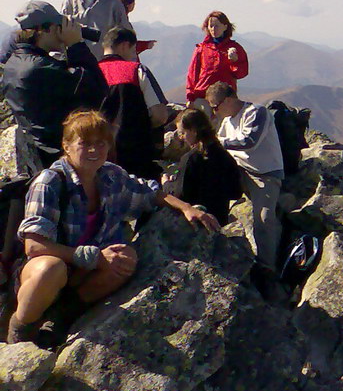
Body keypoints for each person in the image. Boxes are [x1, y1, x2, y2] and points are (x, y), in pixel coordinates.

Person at [7, 110, 219, 346]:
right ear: (66, 146)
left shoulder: (110, 176)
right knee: (51, 268)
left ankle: (62, 316)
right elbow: (35, 246)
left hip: (82, 272)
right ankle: (21, 329)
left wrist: (186, 208)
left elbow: (150, 194)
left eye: (101, 143)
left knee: (125, 258)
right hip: (45, 269)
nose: (94, 150)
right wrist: (92, 257)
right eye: (84, 143)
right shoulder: (50, 182)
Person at [2, 1, 107, 170]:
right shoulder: (40, 68)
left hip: (38, 154)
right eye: (59, 26)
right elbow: (97, 89)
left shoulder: (14, 63)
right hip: (56, 160)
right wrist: (76, 45)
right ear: (45, 30)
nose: (63, 30)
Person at [206, 82, 282, 268]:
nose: (214, 112)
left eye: (216, 106)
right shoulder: (226, 121)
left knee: (263, 219)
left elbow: (249, 142)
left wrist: (217, 142)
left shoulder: (256, 113)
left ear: (229, 99)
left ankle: (268, 268)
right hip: (238, 170)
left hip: (264, 174)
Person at [97, 28, 168, 179]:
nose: (135, 55)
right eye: (134, 50)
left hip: (97, 157)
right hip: (135, 157)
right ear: (124, 46)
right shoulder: (136, 71)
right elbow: (160, 115)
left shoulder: (87, 72)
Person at [166, 108, 243, 226]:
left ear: (193, 131)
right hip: (218, 222)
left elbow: (180, 196)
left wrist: (167, 184)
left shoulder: (191, 159)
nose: (182, 137)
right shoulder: (225, 156)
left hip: (195, 224)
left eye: (182, 133)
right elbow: (236, 192)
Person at [60, 0, 130, 59]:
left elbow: (125, 33)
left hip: (102, 61)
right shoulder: (70, 1)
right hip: (73, 60)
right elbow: (60, 30)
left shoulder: (114, 4)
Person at [185, 12, 248, 111]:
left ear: (225, 26)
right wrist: (190, 96)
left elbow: (241, 73)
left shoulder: (235, 48)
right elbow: (192, 74)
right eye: (211, 26)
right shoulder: (201, 49)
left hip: (224, 99)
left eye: (217, 26)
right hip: (202, 96)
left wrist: (234, 62)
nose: (214, 29)